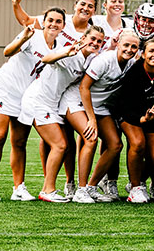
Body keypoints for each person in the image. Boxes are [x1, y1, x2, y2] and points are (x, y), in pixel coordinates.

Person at [0, 8, 66, 202]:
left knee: (19, 142)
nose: (54, 24)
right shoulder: (32, 35)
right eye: (50, 20)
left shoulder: (59, 47)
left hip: (26, 96)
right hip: (5, 89)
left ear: (63, 26)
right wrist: (23, 39)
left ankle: (18, 187)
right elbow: (7, 51)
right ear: (44, 22)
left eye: (58, 21)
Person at [18, 25, 106, 203]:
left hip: (53, 103)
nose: (95, 43)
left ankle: (50, 188)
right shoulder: (70, 51)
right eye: (92, 39)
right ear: (83, 39)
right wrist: (65, 53)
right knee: (59, 145)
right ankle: (47, 190)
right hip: (38, 101)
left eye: (99, 41)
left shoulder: (89, 60)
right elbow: (47, 58)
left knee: (62, 145)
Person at [106, 38, 154, 202]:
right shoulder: (134, 73)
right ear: (143, 54)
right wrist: (141, 118)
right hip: (129, 114)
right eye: (151, 51)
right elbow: (124, 104)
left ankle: (139, 180)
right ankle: (135, 188)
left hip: (153, 116)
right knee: (138, 143)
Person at [78, 30, 140, 201]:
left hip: (103, 108)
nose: (129, 49)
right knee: (88, 141)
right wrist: (91, 118)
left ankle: (91, 186)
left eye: (134, 46)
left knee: (115, 145)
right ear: (118, 44)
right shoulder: (104, 60)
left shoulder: (131, 64)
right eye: (126, 45)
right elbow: (84, 87)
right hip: (83, 105)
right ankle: (78, 188)